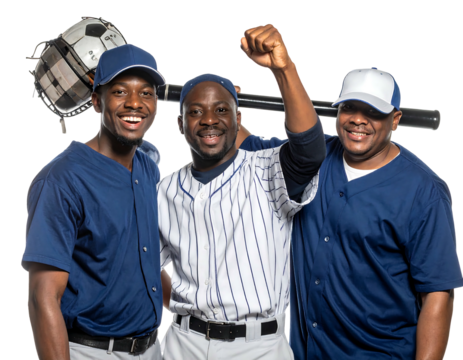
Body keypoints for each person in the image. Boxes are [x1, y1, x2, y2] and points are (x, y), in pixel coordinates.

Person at [238, 65, 463, 359]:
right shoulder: (311, 160)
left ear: (395, 120)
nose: (358, 119)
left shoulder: (424, 191)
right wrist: (226, 106)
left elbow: (437, 294)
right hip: (305, 353)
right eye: (349, 108)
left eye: (372, 112)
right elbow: (248, 144)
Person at [157, 23, 326, 359]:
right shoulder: (166, 188)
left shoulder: (268, 169)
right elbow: (145, 261)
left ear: (238, 117)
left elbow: (309, 150)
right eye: (196, 111)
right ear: (180, 124)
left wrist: (283, 69)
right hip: (182, 342)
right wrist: (178, 299)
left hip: (258, 346)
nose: (209, 119)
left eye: (221, 110)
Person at [22, 43, 166, 360]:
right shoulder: (61, 180)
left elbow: (143, 260)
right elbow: (42, 297)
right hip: (91, 352)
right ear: (97, 103)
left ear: (156, 104)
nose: (135, 103)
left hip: (152, 349)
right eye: (119, 92)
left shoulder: (147, 167)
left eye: (146, 93)